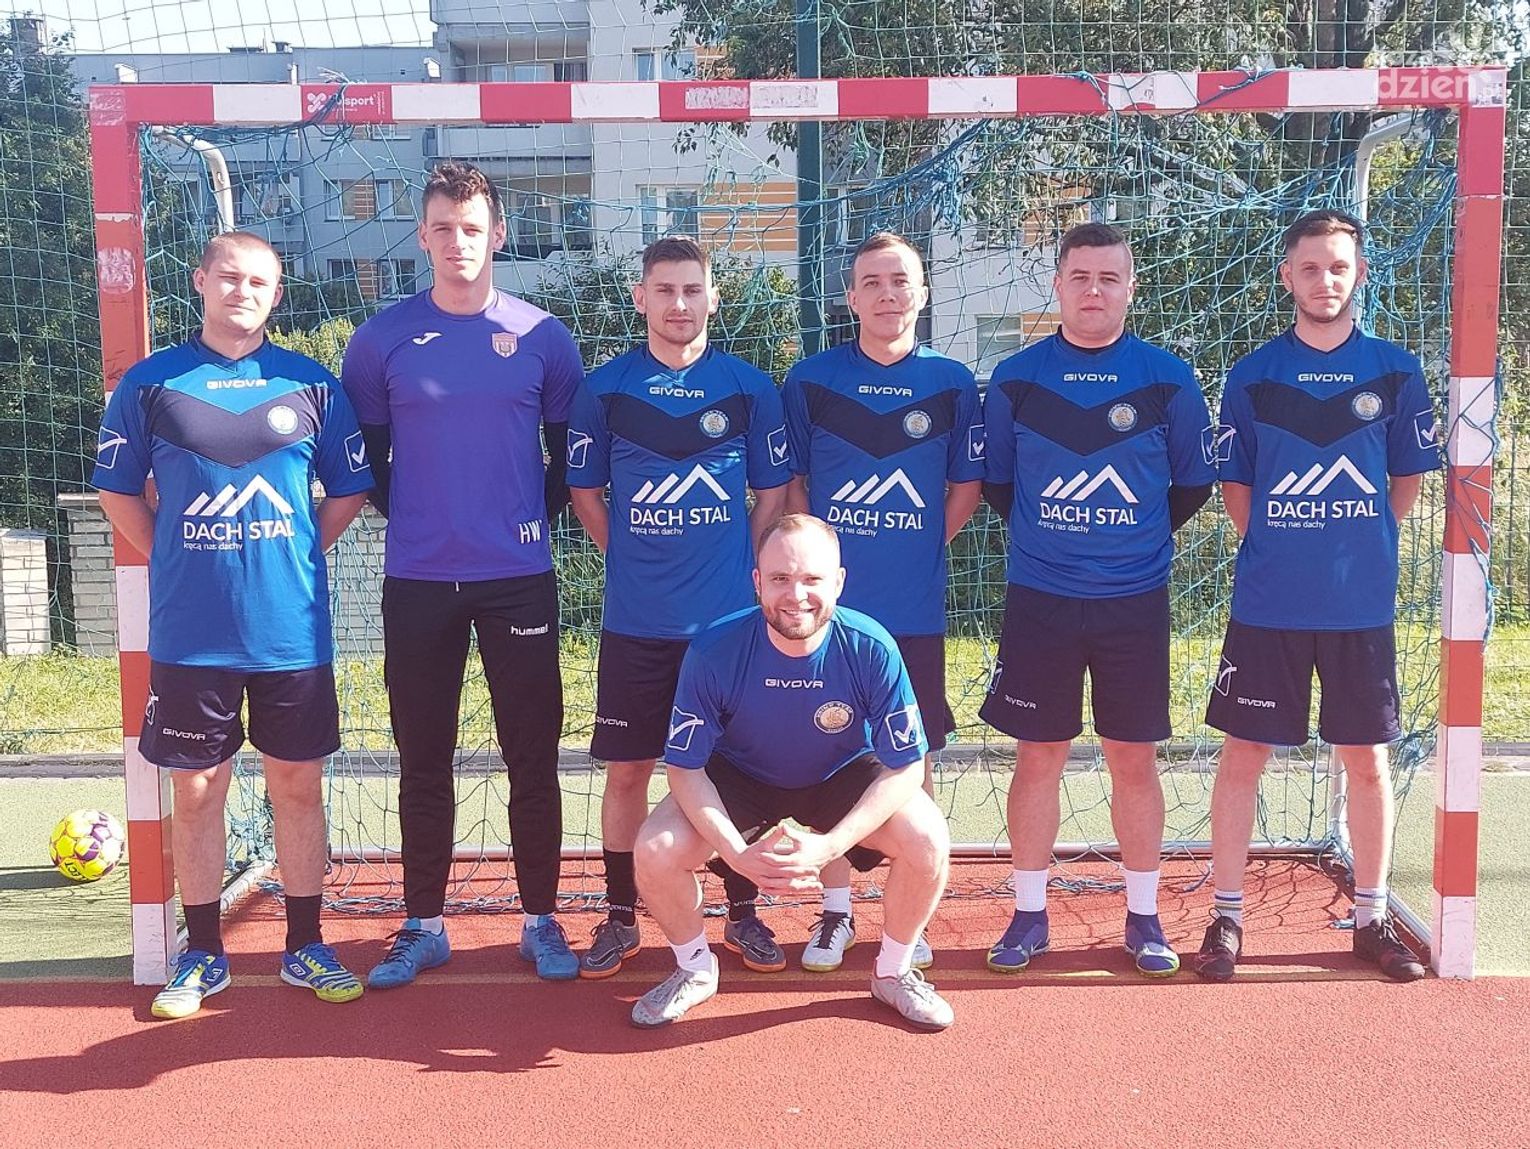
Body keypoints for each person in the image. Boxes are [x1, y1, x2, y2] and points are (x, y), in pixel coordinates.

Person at [94, 231, 373, 1018]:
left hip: (291, 631)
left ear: (276, 295)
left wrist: (297, 553)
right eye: (229, 276)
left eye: (258, 281)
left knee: (298, 786)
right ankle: (204, 952)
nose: (242, 290)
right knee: (195, 791)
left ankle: (306, 943)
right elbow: (117, 491)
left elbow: (348, 489)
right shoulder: (151, 383)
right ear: (200, 281)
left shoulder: (311, 383)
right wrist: (172, 552)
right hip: (192, 632)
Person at [341, 161, 584, 985]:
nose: (457, 242)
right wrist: (427, 520)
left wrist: (514, 522)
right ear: (422, 235)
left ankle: (541, 918)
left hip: (518, 576)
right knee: (423, 758)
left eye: (471, 228)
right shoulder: (379, 340)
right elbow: (370, 464)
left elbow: (566, 462)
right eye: (443, 228)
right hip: (417, 579)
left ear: (498, 235)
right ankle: (423, 924)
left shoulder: (544, 337)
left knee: (532, 755)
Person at [1197, 209, 1437, 983]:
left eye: (1338, 266)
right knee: (1244, 755)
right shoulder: (1253, 374)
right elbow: (1237, 488)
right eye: (1310, 267)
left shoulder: (1395, 371)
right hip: (1268, 603)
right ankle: (1226, 917)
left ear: (1359, 273)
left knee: (1366, 758)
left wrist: (1357, 544)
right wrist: (1280, 544)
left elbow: (1405, 482)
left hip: (1358, 606)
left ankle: (1370, 915)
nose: (1324, 279)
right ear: (1287, 277)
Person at [980, 222, 1215, 977]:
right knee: (1038, 755)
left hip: (1133, 600)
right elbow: (998, 485)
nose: (1093, 291)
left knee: (1133, 758)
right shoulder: (1016, 379)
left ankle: (1144, 917)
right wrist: (1057, 540)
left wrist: (1129, 541)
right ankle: (1028, 914)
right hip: (1041, 597)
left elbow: (1191, 484)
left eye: (1109, 278)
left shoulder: (1168, 379)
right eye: (1080, 276)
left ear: (1130, 288)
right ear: (1058, 284)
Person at [629, 514, 953, 1030]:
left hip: (842, 774)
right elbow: (685, 771)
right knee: (655, 848)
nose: (796, 595)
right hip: (742, 777)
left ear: (838, 582)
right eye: (780, 578)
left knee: (928, 838)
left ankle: (893, 973)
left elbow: (907, 766)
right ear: (758, 581)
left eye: (811, 579)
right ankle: (695, 969)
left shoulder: (872, 646)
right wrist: (737, 855)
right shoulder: (714, 650)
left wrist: (831, 846)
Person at [567, 236, 791, 979]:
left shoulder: (749, 388)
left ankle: (743, 911)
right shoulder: (604, 390)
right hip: (636, 625)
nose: (678, 304)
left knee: (732, 768)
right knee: (629, 771)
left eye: (692, 290)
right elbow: (586, 496)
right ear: (641, 299)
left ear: (712, 299)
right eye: (664, 290)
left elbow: (773, 495)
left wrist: (739, 568)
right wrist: (632, 558)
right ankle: (619, 914)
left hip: (727, 628)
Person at [780, 231, 982, 972]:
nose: (888, 294)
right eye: (872, 282)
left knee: (911, 758)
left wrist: (920, 544)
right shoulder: (810, 380)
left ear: (922, 292)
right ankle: (834, 912)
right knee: (823, 752)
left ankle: (907, 919)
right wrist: (820, 573)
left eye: (901, 280)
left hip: (913, 612)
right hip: (827, 614)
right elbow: (794, 488)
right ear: (851, 297)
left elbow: (965, 489)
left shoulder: (952, 383)